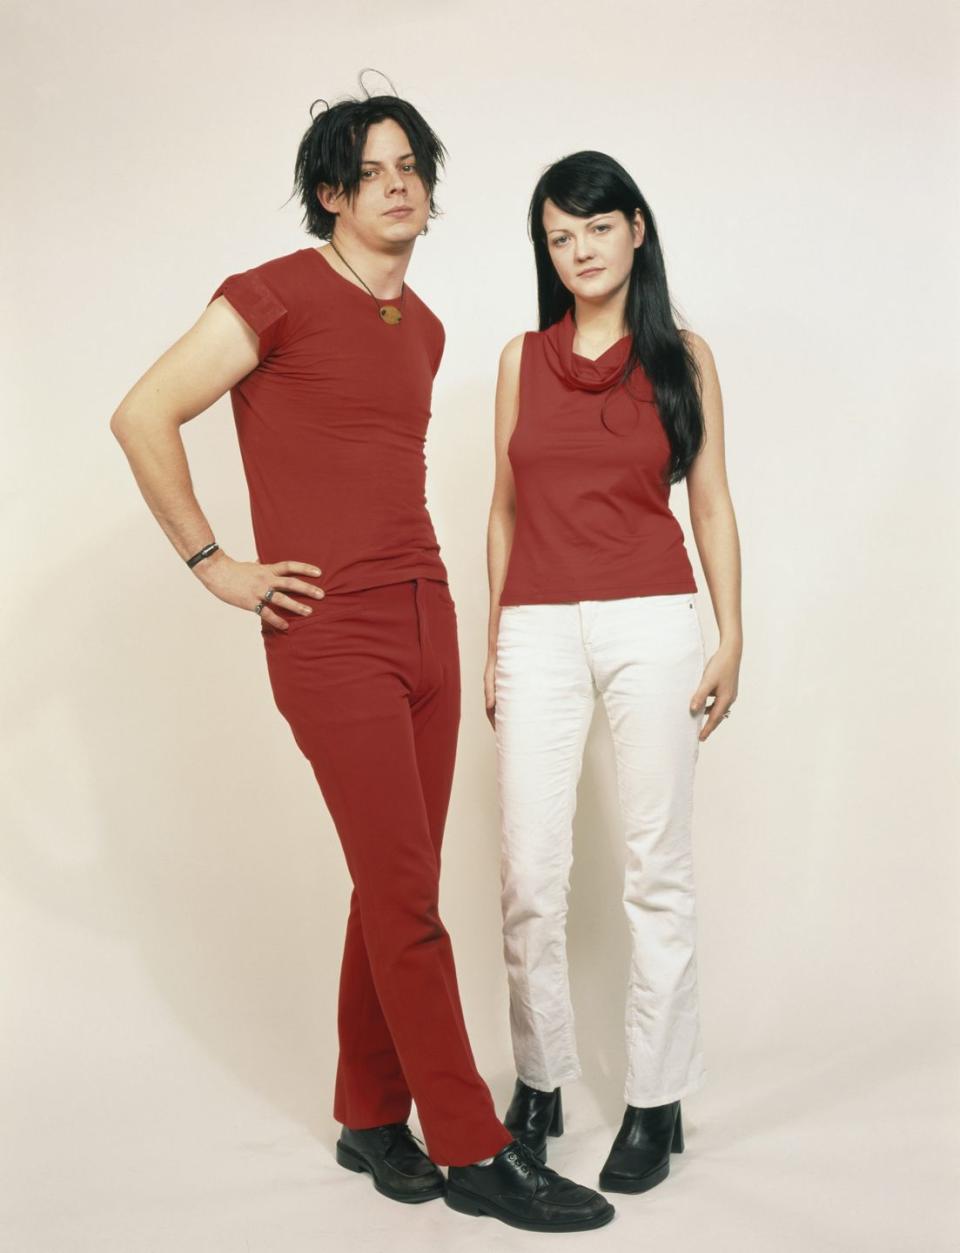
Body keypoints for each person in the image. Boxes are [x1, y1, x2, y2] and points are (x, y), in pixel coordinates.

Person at [109, 86, 614, 1234]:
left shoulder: (427, 327)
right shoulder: (271, 295)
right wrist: (217, 562)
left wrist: (457, 624)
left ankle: (367, 1113)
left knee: (392, 886)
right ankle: (472, 1145)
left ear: (428, 190)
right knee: (404, 894)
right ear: (330, 193)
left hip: (426, 614)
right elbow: (142, 413)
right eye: (369, 169)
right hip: (329, 629)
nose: (396, 183)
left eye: (411, 167)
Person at [484, 150, 742, 1194]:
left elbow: (712, 500)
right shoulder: (520, 359)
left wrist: (734, 634)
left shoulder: (684, 355)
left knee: (654, 869)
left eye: (596, 226)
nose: (579, 249)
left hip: (653, 618)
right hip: (538, 623)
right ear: (545, 250)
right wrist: (493, 643)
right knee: (531, 875)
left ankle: (655, 1094)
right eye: (558, 235)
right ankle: (540, 1079)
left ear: (636, 229)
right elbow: (500, 509)